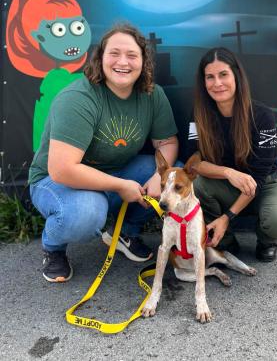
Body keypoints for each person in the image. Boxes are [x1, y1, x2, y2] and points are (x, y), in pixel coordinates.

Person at [29, 23, 179, 282]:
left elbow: (167, 142)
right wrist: (121, 186)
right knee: (87, 213)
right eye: (114, 53)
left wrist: (159, 176)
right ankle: (53, 248)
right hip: (55, 181)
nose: (123, 62)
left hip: (114, 172)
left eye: (132, 55)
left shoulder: (152, 95)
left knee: (174, 180)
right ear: (100, 59)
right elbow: (62, 169)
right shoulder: (78, 98)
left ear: (143, 62)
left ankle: (124, 232)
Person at [188, 47, 277, 262]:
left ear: (236, 77)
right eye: (210, 77)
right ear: (203, 83)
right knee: (195, 186)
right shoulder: (198, 116)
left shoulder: (263, 115)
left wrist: (228, 216)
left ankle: (266, 240)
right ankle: (225, 240)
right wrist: (228, 172)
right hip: (225, 184)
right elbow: (193, 163)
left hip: (265, 184)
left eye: (223, 74)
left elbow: (259, 177)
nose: (217, 83)